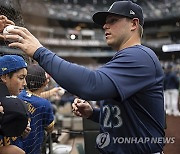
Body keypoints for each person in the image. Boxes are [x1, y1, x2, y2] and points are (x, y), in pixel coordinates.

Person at [5, 1, 165, 153]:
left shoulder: (139, 56)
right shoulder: (127, 57)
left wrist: (40, 52)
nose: (105, 26)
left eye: (113, 20)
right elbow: (126, 119)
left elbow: (91, 85)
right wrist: (92, 114)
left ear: (134, 24)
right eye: (106, 22)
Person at [16, 64, 55, 154]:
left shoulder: (19, 94)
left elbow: (34, 97)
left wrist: (53, 92)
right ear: (45, 82)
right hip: (34, 148)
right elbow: (50, 128)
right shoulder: (45, 104)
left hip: (17, 146)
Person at [0, 54, 30, 154]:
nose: (25, 83)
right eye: (21, 78)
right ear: (5, 77)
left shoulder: (13, 99)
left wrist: (19, 131)